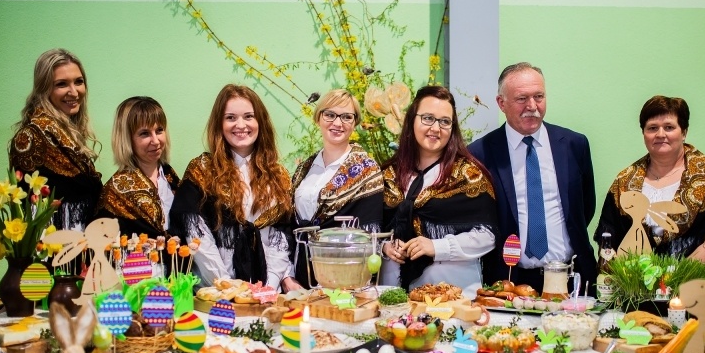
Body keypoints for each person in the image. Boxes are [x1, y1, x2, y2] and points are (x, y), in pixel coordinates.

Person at [469, 62, 597, 294]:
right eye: (522, 99)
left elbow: (585, 207)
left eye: (539, 96)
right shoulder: (481, 153)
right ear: (501, 103)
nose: (532, 106)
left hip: (572, 278)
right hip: (510, 282)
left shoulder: (574, 144)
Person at [169, 84, 293, 289]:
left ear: (260, 121)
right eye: (231, 118)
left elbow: (280, 239)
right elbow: (197, 239)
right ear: (219, 124)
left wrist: (269, 285)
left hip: (267, 293)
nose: (240, 125)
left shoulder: (278, 176)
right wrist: (229, 286)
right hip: (216, 292)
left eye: (249, 116)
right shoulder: (202, 171)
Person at [594, 95, 705, 265]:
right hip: (632, 280)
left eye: (669, 127)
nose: (660, 134)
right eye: (652, 128)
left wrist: (675, 277)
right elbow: (608, 236)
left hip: (693, 279)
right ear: (643, 134)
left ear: (684, 132)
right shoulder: (624, 181)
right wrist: (621, 275)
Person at [381, 85, 497, 298]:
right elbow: (370, 228)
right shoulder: (389, 173)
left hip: (450, 296)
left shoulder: (468, 174)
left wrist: (437, 246)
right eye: (427, 118)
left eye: (444, 121)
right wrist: (384, 247)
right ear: (412, 120)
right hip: (392, 296)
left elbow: (488, 235)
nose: (436, 128)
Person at [284, 90, 383, 290]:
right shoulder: (304, 168)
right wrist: (287, 276)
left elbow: (369, 234)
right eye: (330, 115)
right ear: (318, 118)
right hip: (299, 275)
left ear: (355, 123)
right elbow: (289, 223)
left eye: (347, 117)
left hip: (344, 276)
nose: (337, 123)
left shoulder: (367, 169)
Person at [10, 48, 102, 231]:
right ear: (44, 89)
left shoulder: (67, 133)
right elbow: (28, 213)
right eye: (61, 84)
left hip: (82, 242)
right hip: (54, 245)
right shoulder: (30, 138)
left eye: (79, 82)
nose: (74, 92)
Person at [95, 96, 180, 238]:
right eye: (145, 133)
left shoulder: (170, 176)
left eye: (159, 130)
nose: (155, 141)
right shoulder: (115, 192)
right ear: (127, 139)